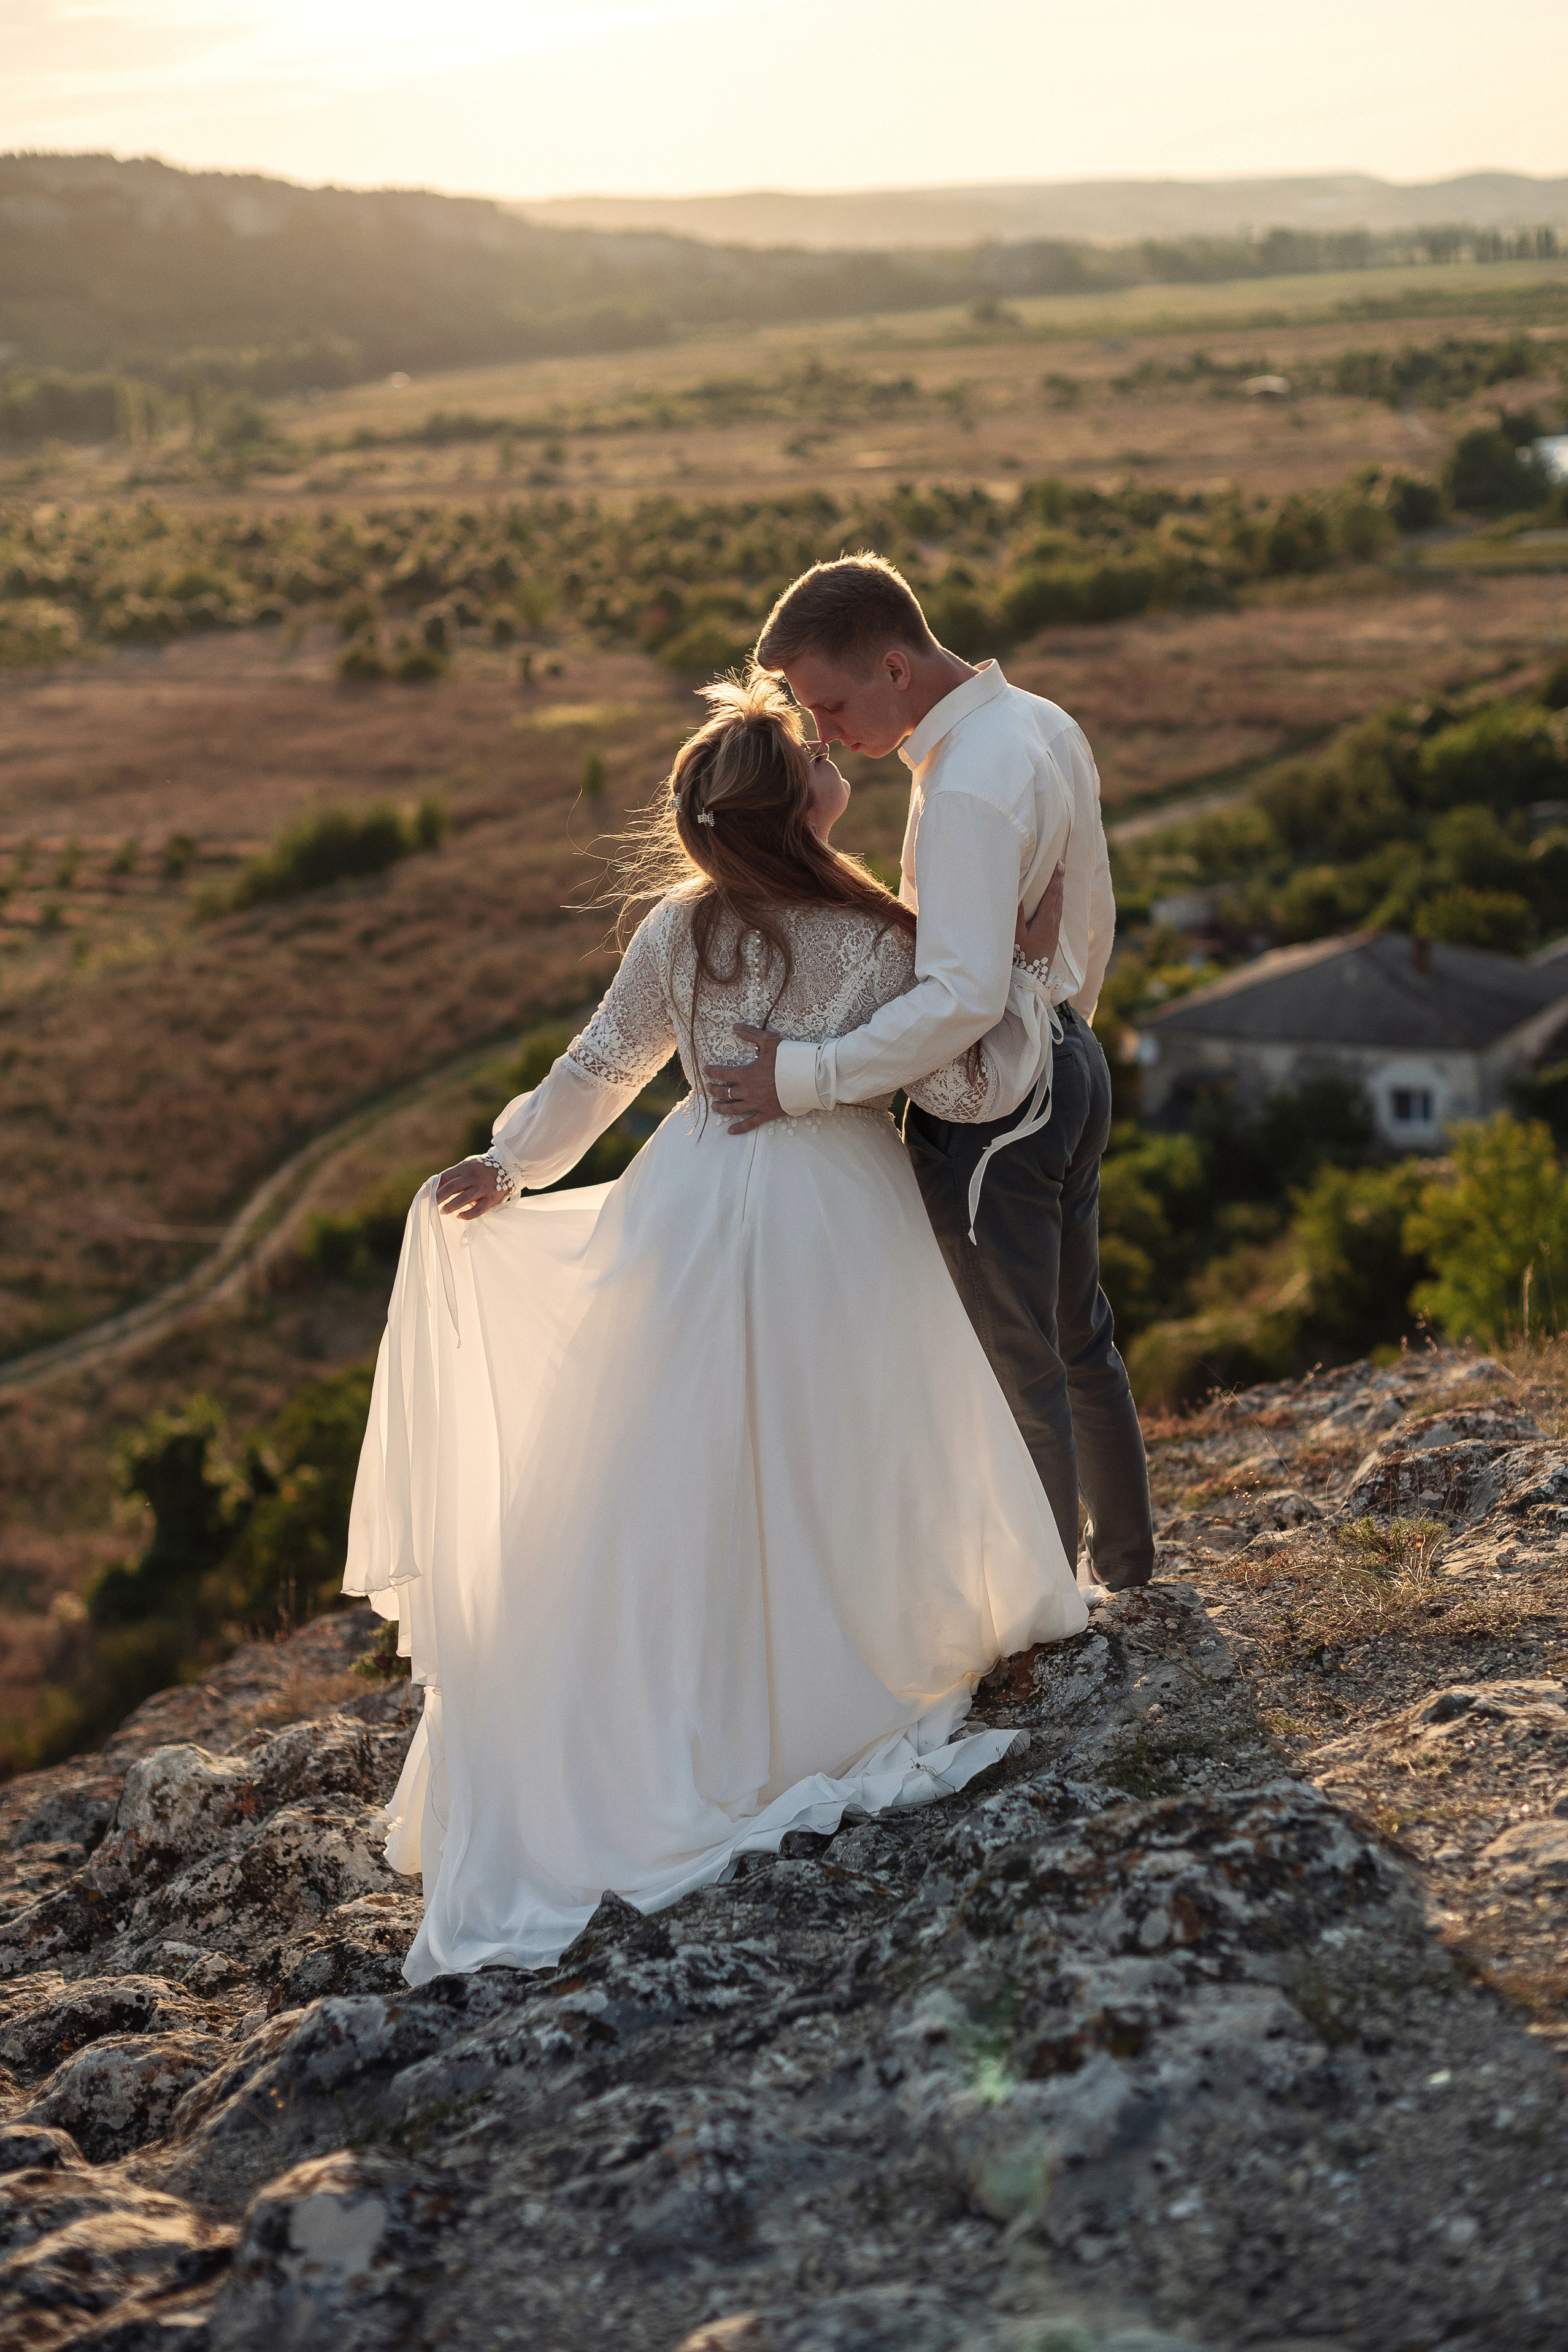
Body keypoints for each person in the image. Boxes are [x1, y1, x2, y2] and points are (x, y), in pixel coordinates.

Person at [344, 674, 1088, 1983]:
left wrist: (514, 1164)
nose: (831, 757)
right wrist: (1025, 962)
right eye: (813, 754)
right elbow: (971, 1072)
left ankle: (701, 1698)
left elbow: (598, 1068)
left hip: (685, 1203)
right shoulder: (876, 930)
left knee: (669, 1464)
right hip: (837, 1214)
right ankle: (838, 1675)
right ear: (806, 806)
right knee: (844, 1442)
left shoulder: (680, 933)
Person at [707, 556, 1154, 1594]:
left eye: (827, 703)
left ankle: (1048, 1610)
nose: (819, 733)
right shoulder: (1042, 723)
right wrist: (1058, 1027)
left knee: (1015, 1365)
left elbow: (956, 998)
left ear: (896, 667)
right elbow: (1094, 906)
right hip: (1067, 1065)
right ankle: (1129, 1572)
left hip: (999, 1105)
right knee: (1081, 1337)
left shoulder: (962, 788)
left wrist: (804, 1078)